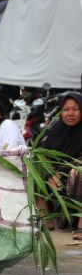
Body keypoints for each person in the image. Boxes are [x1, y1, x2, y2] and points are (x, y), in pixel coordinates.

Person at [36, 92, 82, 236]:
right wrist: (50, 173)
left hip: (73, 173)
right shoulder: (55, 129)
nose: (70, 113)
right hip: (57, 175)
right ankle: (46, 221)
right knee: (36, 170)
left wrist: (60, 171)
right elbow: (44, 155)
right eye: (66, 109)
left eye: (75, 109)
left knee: (78, 172)